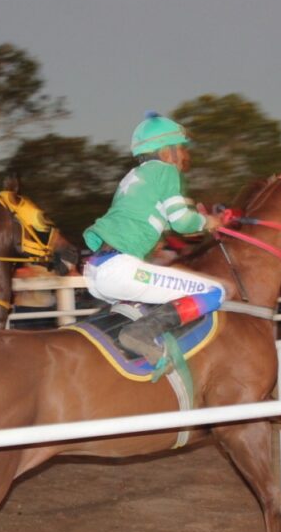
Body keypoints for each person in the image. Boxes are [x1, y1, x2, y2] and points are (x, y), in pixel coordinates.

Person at [82, 112, 224, 363]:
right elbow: (181, 222)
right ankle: (139, 335)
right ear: (166, 152)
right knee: (214, 292)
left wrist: (196, 221)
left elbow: (170, 220)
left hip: (97, 269)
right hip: (120, 270)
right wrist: (209, 221)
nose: (184, 156)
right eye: (180, 149)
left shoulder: (135, 176)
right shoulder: (165, 171)